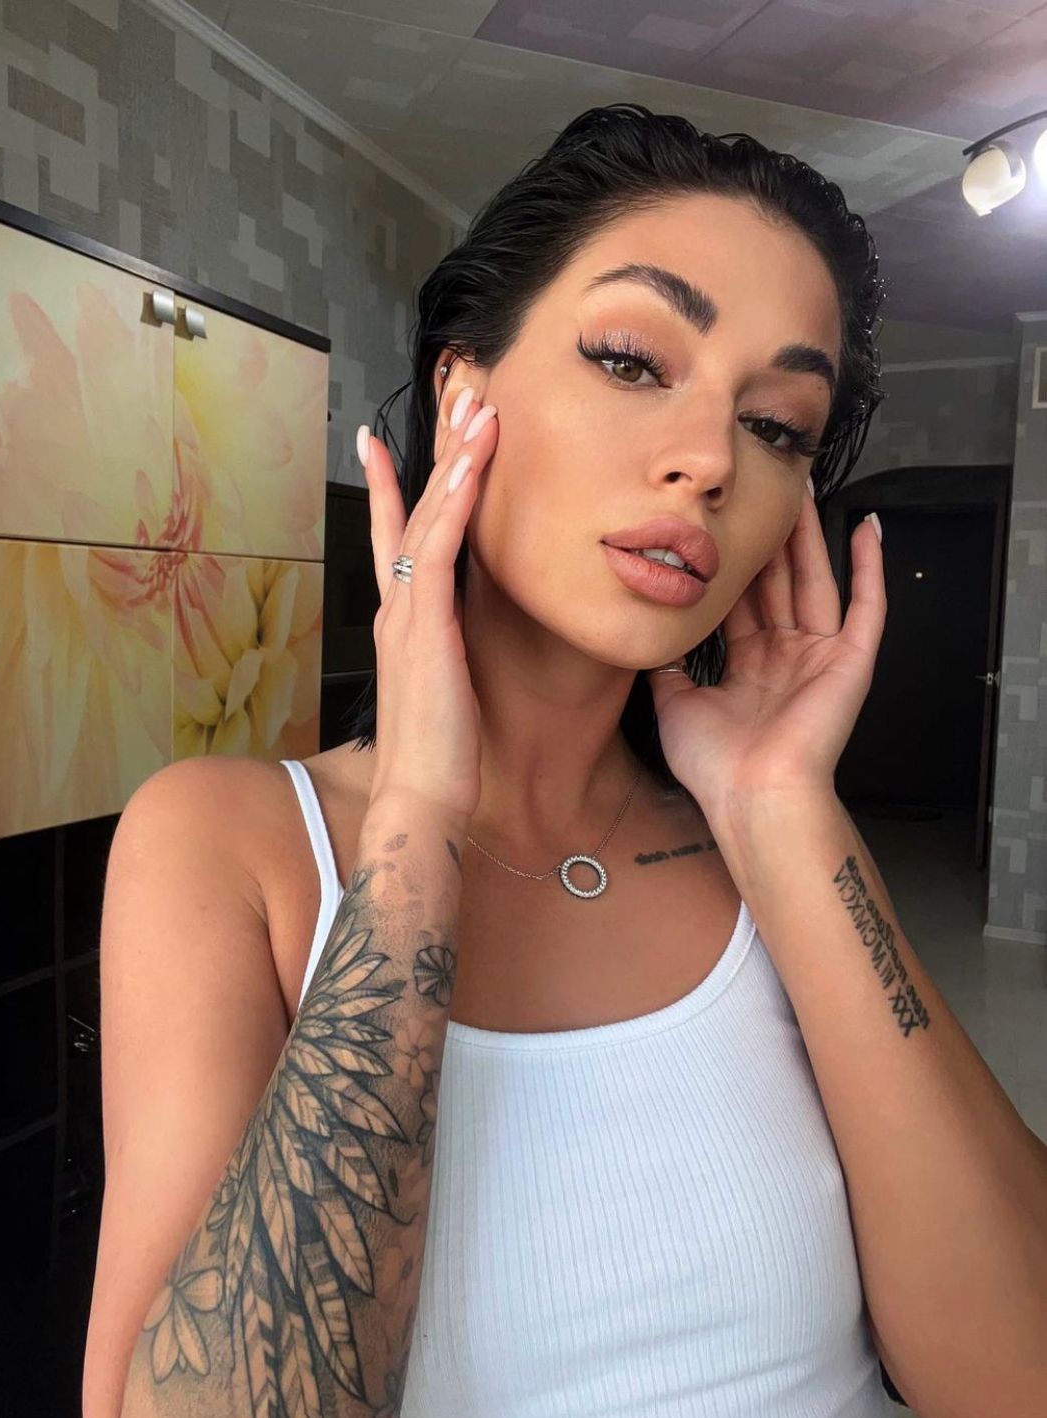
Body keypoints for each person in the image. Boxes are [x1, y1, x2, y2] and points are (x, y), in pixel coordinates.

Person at [85, 103, 896, 1416]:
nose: (707, 461)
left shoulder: (767, 845)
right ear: (465, 396)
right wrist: (416, 815)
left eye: (777, 426)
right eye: (633, 359)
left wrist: (786, 802)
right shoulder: (221, 839)